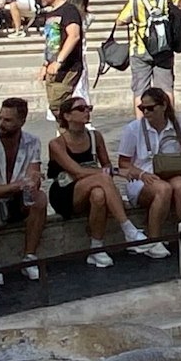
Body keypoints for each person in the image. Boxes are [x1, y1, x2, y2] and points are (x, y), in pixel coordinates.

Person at [44, 93, 133, 266]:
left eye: (88, 108)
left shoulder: (95, 136)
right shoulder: (56, 144)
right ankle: (127, 227)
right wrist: (114, 171)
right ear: (67, 116)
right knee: (103, 179)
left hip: (93, 186)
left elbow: (106, 164)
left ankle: (96, 247)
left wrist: (109, 172)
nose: (86, 112)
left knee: (99, 194)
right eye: (81, 109)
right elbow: (77, 172)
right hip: (65, 191)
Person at [0, 98, 49, 279]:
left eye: (7, 120)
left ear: (22, 121)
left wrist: (33, 181)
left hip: (17, 198)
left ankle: (29, 256)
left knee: (40, 198)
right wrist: (18, 185)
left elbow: (33, 177)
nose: (1, 124)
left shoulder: (33, 142)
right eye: (0, 118)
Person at [117, 90, 181, 251]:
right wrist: (141, 173)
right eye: (142, 108)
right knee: (163, 189)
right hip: (141, 177)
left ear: (163, 106)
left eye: (150, 108)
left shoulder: (179, 125)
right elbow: (123, 163)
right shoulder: (133, 129)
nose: (145, 112)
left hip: (170, 172)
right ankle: (154, 239)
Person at [37, 0, 86, 112]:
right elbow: (51, 42)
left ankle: (73, 132)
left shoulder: (69, 10)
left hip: (67, 66)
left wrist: (59, 61)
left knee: (59, 106)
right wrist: (45, 64)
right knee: (56, 107)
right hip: (52, 67)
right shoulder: (50, 13)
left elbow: (74, 36)